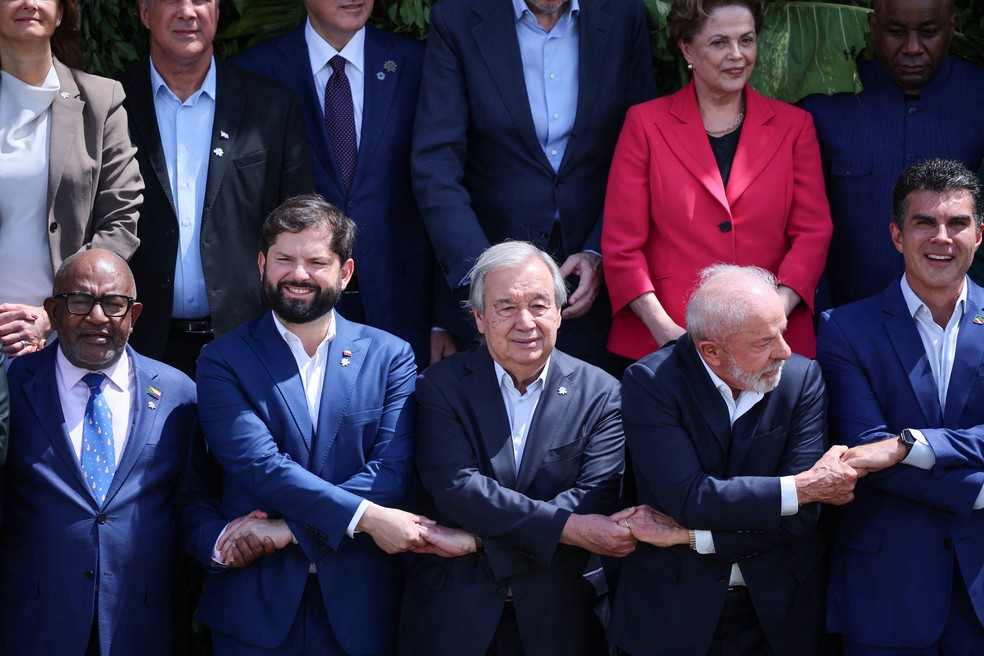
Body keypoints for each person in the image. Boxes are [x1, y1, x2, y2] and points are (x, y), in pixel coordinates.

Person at [188, 194, 437, 655]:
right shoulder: (221, 359)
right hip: (254, 610)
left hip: (361, 611)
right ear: (263, 264)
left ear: (344, 272)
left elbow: (392, 474)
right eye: (284, 259)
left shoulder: (391, 356)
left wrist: (289, 531)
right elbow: (260, 466)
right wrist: (366, 517)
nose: (298, 275)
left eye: (316, 261)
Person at [610, 264, 861, 656]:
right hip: (674, 615)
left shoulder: (801, 379)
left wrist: (689, 536)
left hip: (779, 616)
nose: (785, 350)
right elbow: (688, 499)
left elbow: (801, 517)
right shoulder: (650, 383)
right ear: (711, 351)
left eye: (782, 329)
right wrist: (798, 488)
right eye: (763, 342)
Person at [399, 241, 633, 656]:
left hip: (562, 619)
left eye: (540, 305)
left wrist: (480, 542)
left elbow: (594, 499)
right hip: (456, 618)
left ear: (560, 313)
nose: (525, 322)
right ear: (480, 319)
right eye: (506, 307)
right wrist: (567, 528)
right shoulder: (440, 386)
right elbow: (457, 491)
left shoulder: (603, 394)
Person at [412, 0, 657, 373]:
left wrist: (598, 251)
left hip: (593, 280)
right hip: (489, 268)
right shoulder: (459, 16)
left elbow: (641, 150)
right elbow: (436, 163)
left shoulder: (622, 13)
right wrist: (486, 275)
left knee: (590, 420)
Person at [602, 0, 831, 361]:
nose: (737, 55)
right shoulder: (644, 124)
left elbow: (812, 234)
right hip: (665, 340)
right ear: (686, 48)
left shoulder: (794, 126)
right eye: (719, 42)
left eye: (747, 40)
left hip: (774, 340)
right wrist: (666, 332)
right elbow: (622, 246)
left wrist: (772, 315)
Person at [817, 159, 984, 654]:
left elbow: (889, 450)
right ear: (896, 235)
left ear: (980, 234)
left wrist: (911, 443)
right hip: (886, 586)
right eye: (923, 222)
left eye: (957, 223)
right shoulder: (844, 329)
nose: (941, 237)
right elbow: (866, 452)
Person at [0, 249, 196, 655]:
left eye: (114, 304)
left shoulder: (180, 395)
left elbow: (190, 505)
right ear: (52, 311)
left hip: (140, 624)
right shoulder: (13, 386)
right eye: (79, 301)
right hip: (34, 624)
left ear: (134, 315)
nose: (97, 317)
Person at [234, 0, 438, 369]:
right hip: (294, 308)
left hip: (404, 309)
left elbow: (443, 186)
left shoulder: (417, 64)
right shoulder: (255, 71)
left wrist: (446, 319)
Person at [121, 0, 312, 377]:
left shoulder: (271, 107)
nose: (188, 12)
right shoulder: (111, 104)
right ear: (144, 12)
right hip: (138, 346)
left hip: (247, 344)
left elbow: (299, 226)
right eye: (172, 0)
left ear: (218, 11)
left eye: (201, 0)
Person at [800, 0, 984, 307]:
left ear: (951, 27)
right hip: (847, 323)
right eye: (896, 32)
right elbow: (803, 225)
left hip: (961, 326)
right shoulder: (829, 100)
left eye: (929, 32)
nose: (912, 47)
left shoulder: (978, 96)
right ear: (874, 28)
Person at [0, 0, 142, 361]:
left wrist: (60, 313)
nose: (30, 2)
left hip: (71, 337)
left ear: (61, 13)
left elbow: (120, 218)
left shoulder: (101, 99)